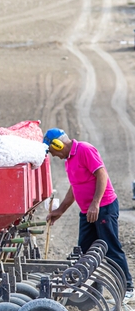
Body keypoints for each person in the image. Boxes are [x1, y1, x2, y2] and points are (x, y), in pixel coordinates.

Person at [43, 127, 134, 301]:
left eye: (52, 151)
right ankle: (85, 292)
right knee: (84, 250)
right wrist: (60, 210)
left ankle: (128, 287)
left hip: (104, 207)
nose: (53, 155)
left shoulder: (84, 149)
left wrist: (95, 203)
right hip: (88, 211)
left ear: (57, 144)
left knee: (110, 248)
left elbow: (102, 175)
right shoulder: (68, 160)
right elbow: (75, 187)